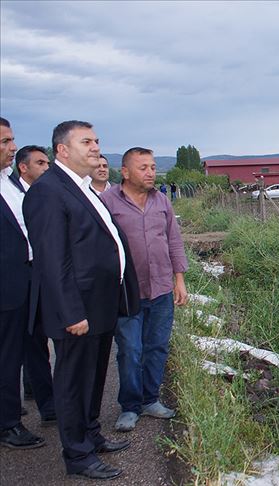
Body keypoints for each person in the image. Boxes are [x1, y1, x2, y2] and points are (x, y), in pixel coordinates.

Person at [23, 120, 139, 480]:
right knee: (73, 382)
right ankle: (77, 454)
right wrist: (71, 311)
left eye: (97, 140)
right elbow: (52, 261)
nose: (95, 147)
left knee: (94, 377)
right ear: (62, 150)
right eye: (86, 141)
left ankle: (91, 435)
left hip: (101, 304)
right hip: (79, 310)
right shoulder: (49, 192)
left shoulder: (84, 188)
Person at [101, 147, 188, 433]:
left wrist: (179, 280)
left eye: (152, 167)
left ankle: (150, 399)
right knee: (130, 349)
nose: (150, 172)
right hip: (126, 291)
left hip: (161, 288)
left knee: (157, 347)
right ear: (125, 172)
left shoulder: (162, 200)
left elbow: (173, 241)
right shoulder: (107, 202)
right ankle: (129, 406)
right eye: (143, 167)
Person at [0, 117, 46, 450]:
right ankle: (7, 425)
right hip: (6, 286)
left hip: (24, 279)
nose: (12, 147)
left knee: (19, 352)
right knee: (6, 357)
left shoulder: (10, 184)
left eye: (11, 140)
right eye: (4, 141)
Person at [13, 145, 57, 425]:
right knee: (25, 339)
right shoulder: (13, 195)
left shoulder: (47, 195)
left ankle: (47, 401)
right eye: (40, 163)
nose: (46, 167)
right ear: (24, 168)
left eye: (47, 162)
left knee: (39, 336)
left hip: (42, 272)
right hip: (21, 274)